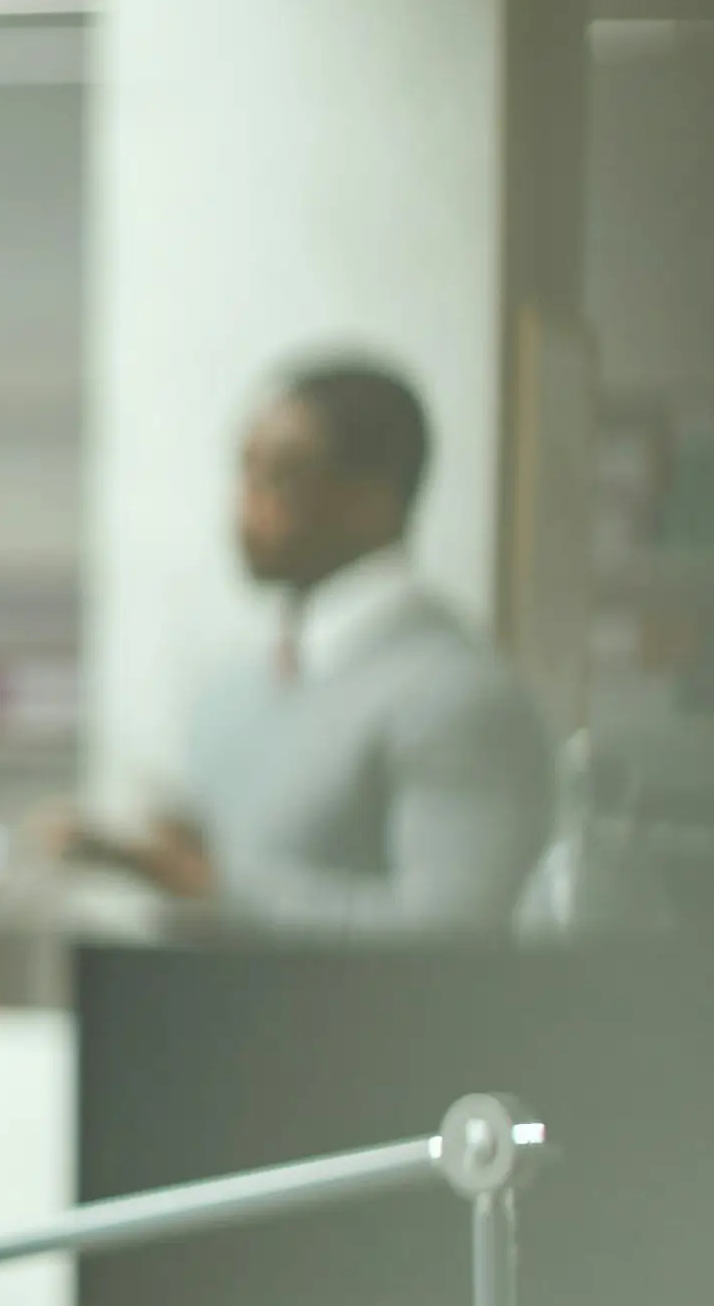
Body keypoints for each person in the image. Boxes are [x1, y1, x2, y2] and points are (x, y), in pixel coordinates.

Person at [89, 354, 554, 933]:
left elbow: (452, 941)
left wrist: (215, 887)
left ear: (371, 501)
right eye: (245, 472)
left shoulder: (457, 696)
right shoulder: (234, 688)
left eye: (280, 477)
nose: (245, 506)